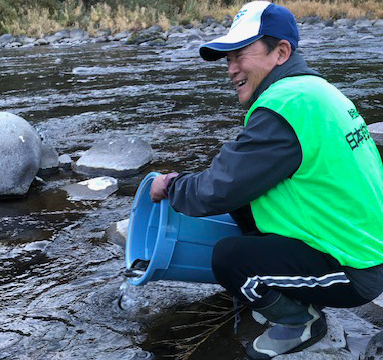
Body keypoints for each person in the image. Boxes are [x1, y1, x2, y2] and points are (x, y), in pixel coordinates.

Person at [149, 1, 383, 359]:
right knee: (244, 203)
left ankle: (300, 321)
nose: (230, 69)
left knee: (230, 258)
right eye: (227, 59)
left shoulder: (284, 106)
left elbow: (217, 189)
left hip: (356, 270)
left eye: (240, 54)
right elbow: (237, 179)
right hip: (362, 246)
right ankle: (280, 291)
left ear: (281, 52)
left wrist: (172, 185)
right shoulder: (314, 91)